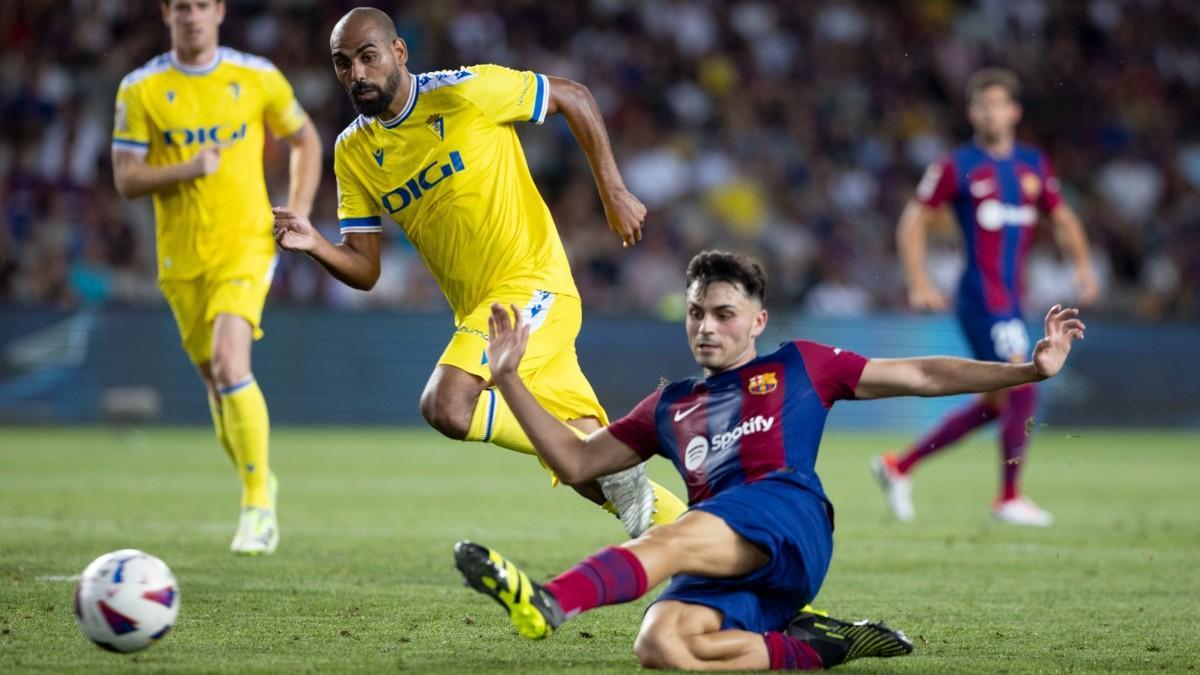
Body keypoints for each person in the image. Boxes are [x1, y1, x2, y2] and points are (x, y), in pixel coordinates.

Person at [454, 250, 1085, 670]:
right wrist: (509, 379)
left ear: (756, 320)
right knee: (662, 646)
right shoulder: (668, 405)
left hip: (788, 517)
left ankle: (550, 600)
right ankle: (813, 648)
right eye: (696, 313)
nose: (706, 326)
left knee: (676, 536)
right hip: (727, 552)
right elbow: (575, 461)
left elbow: (920, 372)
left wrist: (1027, 368)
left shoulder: (801, 365)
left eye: (724, 314)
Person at [271, 7, 686, 537]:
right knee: (588, 467)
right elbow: (366, 269)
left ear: (399, 53)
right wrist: (314, 246)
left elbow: (573, 96)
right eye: (342, 64)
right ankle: (722, 556)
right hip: (487, 315)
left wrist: (614, 192)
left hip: (535, 289)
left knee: (446, 404)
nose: (357, 74)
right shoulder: (353, 151)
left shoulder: (466, 91)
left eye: (367, 57)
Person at [112, 0, 322, 555]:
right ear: (167, 13)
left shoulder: (256, 77)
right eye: (182, 7)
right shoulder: (141, 89)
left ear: (220, 11)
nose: (193, 16)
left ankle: (257, 504)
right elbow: (126, 179)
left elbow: (306, 139)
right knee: (216, 384)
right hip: (181, 260)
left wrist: (296, 209)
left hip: (246, 246)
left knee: (232, 364)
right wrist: (187, 167)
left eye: (202, 5)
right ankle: (258, 479)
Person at [875, 68, 1100, 526]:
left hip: (1013, 298)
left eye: (998, 104)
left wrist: (1082, 266)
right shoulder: (956, 165)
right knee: (1024, 382)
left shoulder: (1033, 164)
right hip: (982, 296)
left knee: (998, 402)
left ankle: (900, 467)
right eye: (981, 105)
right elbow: (914, 219)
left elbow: (1063, 219)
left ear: (1014, 111)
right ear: (971, 112)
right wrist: (918, 281)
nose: (990, 112)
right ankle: (1009, 497)